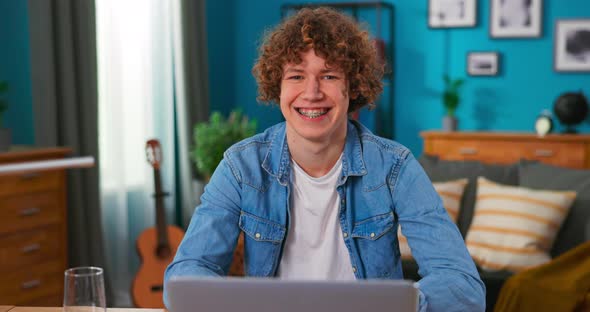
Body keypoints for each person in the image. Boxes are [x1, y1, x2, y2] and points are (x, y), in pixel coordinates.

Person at [164, 7, 485, 312]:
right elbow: (185, 275)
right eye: (296, 76)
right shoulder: (240, 167)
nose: (312, 92)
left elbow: (463, 286)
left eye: (329, 76)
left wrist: (399, 306)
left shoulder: (395, 167)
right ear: (277, 87)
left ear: (353, 86)